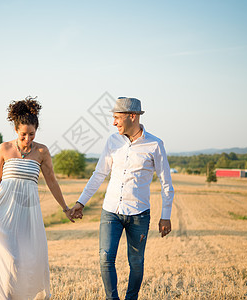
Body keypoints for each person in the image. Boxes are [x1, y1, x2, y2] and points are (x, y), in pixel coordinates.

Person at [0, 97, 74, 300]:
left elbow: (52, 182)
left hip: (28, 214)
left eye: (32, 134)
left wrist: (65, 208)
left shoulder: (42, 151)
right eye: (24, 134)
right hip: (4, 210)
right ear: (16, 130)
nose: (28, 138)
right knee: (11, 260)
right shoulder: (4, 149)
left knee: (30, 261)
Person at [70, 97, 175, 300]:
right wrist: (80, 202)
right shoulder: (112, 141)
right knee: (105, 257)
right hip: (111, 211)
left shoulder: (155, 144)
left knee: (136, 262)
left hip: (139, 214)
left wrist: (166, 216)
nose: (114, 122)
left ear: (132, 117)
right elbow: (99, 174)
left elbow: (166, 183)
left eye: (117, 117)